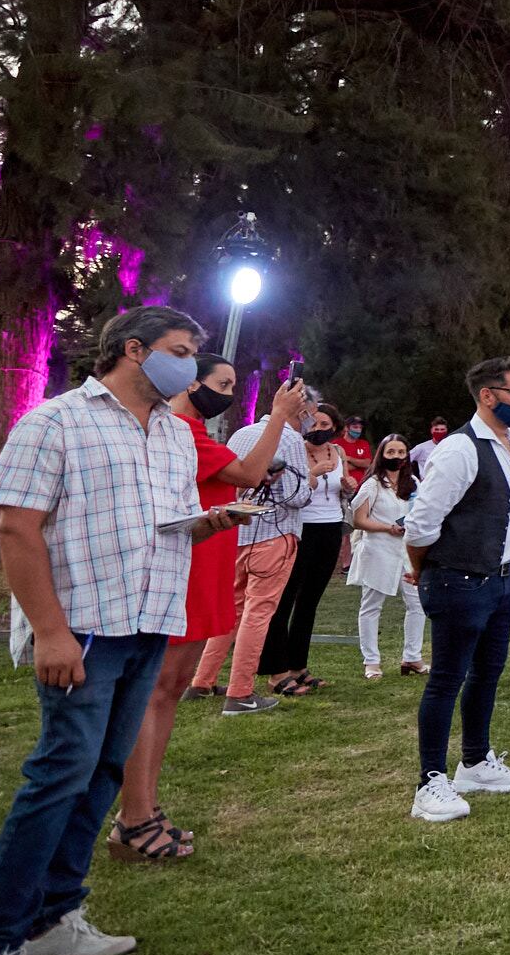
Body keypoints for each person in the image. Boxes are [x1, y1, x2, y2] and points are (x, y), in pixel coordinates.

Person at [0, 307, 251, 955]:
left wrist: (207, 522)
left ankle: (56, 916)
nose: (191, 368)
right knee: (59, 774)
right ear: (134, 349)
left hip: (151, 620)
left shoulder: (177, 434)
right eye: (182, 353)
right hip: (84, 629)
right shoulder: (57, 421)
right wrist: (51, 633)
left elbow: (160, 519)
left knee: (104, 773)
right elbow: (15, 529)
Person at [112, 356, 299, 862]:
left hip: (210, 561)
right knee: (155, 692)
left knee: (170, 691)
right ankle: (133, 817)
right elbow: (250, 470)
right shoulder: (179, 429)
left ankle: (146, 810)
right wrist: (278, 415)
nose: (229, 392)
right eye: (223, 383)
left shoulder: (190, 430)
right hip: (187, 568)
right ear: (192, 383)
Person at [399, 357, 510, 823]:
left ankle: (475, 762)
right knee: (446, 680)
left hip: (499, 578)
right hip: (457, 578)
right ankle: (430, 781)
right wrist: (425, 569)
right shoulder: (459, 449)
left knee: (487, 673)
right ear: (487, 395)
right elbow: (420, 526)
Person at [187, 382, 315, 712]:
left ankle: (202, 681)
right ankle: (240, 691)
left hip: (240, 533)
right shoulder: (290, 439)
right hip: (275, 532)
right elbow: (298, 495)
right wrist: (311, 482)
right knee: (258, 614)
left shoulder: (240, 434)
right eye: (310, 416)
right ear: (300, 411)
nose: (311, 423)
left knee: (233, 611)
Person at [258, 399, 349, 693]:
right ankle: (276, 670)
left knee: (309, 602)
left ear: (334, 428)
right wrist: (315, 472)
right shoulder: (294, 449)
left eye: (325, 425)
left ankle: (299, 666)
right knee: (284, 600)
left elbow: (341, 491)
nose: (319, 429)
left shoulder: (338, 452)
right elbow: (290, 490)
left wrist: (348, 488)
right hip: (299, 528)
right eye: (315, 423)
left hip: (331, 527)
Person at [346, 436, 427, 679]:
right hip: (378, 549)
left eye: (401, 452)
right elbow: (358, 519)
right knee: (371, 606)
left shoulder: (412, 482)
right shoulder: (372, 484)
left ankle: (412, 656)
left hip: (407, 552)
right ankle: (371, 661)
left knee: (417, 604)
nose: (396, 456)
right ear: (382, 454)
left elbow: (422, 510)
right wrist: (386, 527)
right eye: (391, 452)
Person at [337, 415, 373, 493]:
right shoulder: (336, 444)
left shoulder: (364, 443)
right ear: (346, 428)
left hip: (362, 488)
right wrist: (359, 465)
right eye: (355, 427)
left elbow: (367, 463)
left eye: (360, 428)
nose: (358, 430)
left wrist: (348, 459)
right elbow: (336, 467)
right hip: (343, 488)